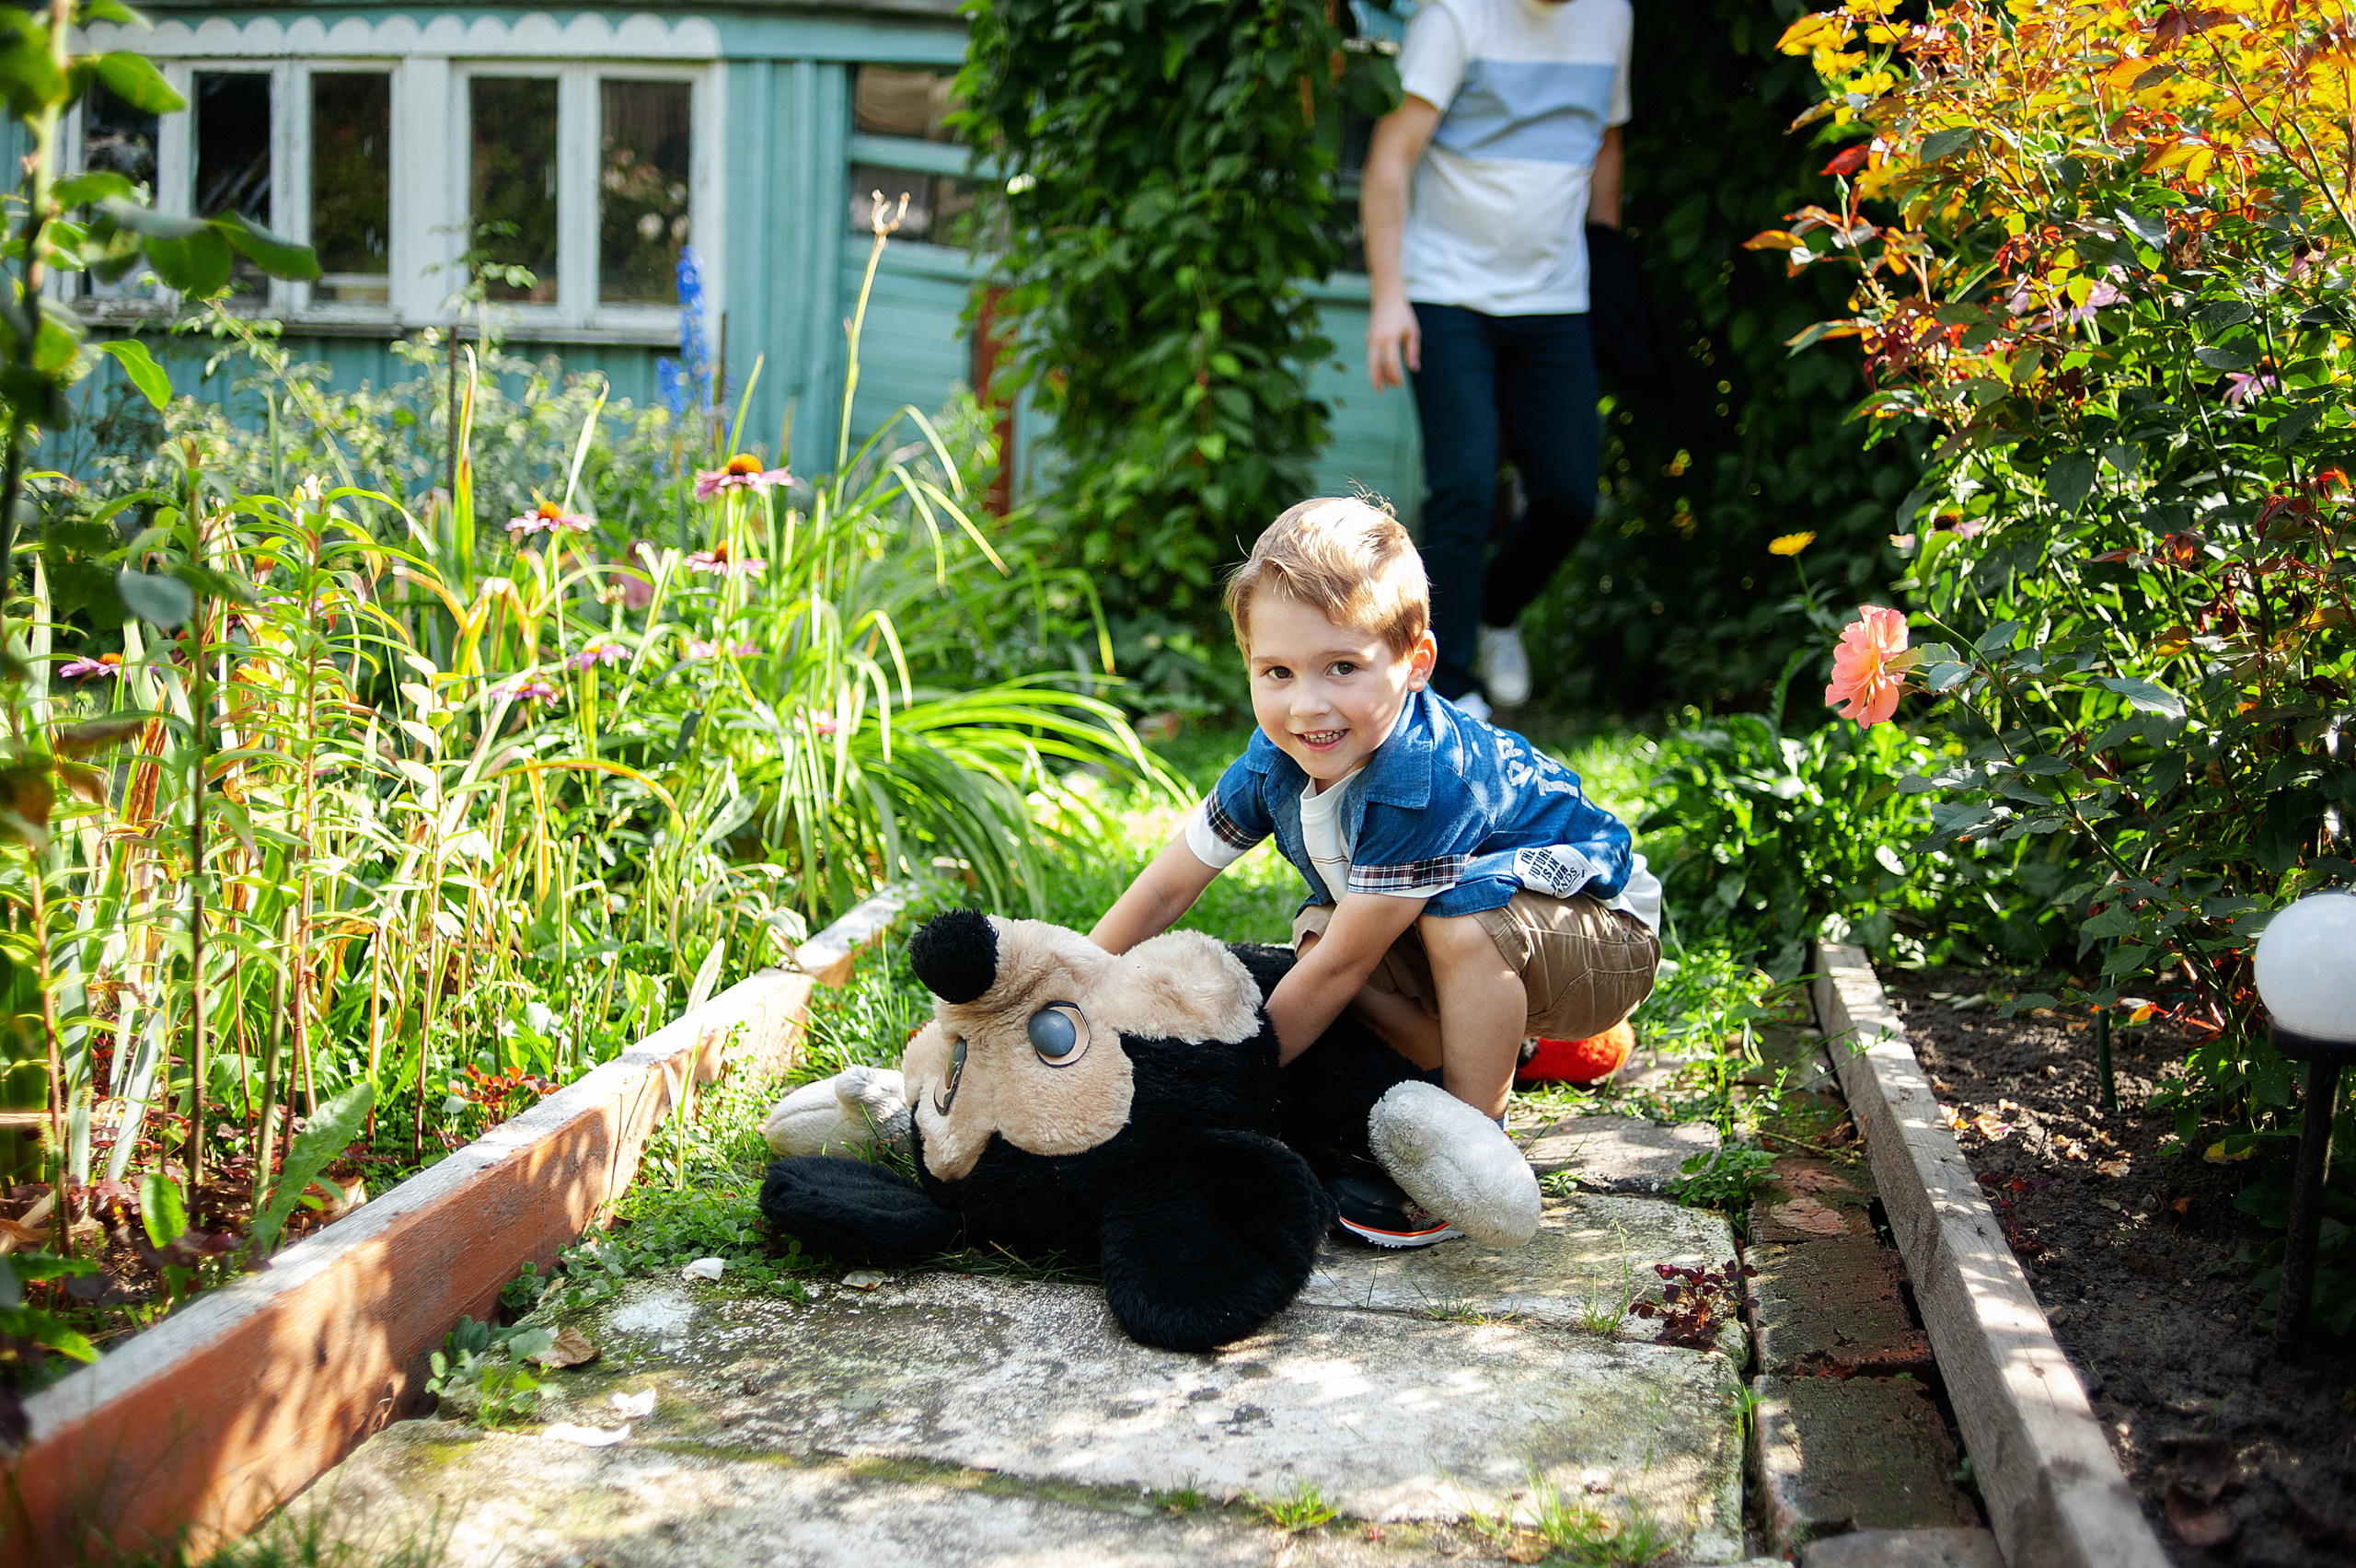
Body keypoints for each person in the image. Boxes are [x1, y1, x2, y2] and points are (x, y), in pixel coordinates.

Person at [1089, 497, 1660, 1245]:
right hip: (1487, 941)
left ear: (1415, 663)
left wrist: (1226, 1092)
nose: (1307, 704)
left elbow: (1341, 973)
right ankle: (1457, 1053)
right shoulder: (1275, 763)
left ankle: (1467, 1154)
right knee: (1318, 930)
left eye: (1343, 667)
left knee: (1455, 915)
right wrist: (1065, 984)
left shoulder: (1422, 776)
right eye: (1278, 672)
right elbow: (1166, 886)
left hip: (1603, 938)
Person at [1360, 0, 1634, 716]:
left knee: (1571, 495)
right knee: (1464, 491)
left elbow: (1605, 140)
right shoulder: (1456, 18)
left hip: (1556, 300)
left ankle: (1497, 611)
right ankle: (1448, 689)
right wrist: (1391, 296)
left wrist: (1606, 262)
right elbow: (1392, 154)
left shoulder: (1612, 17)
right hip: (1448, 297)